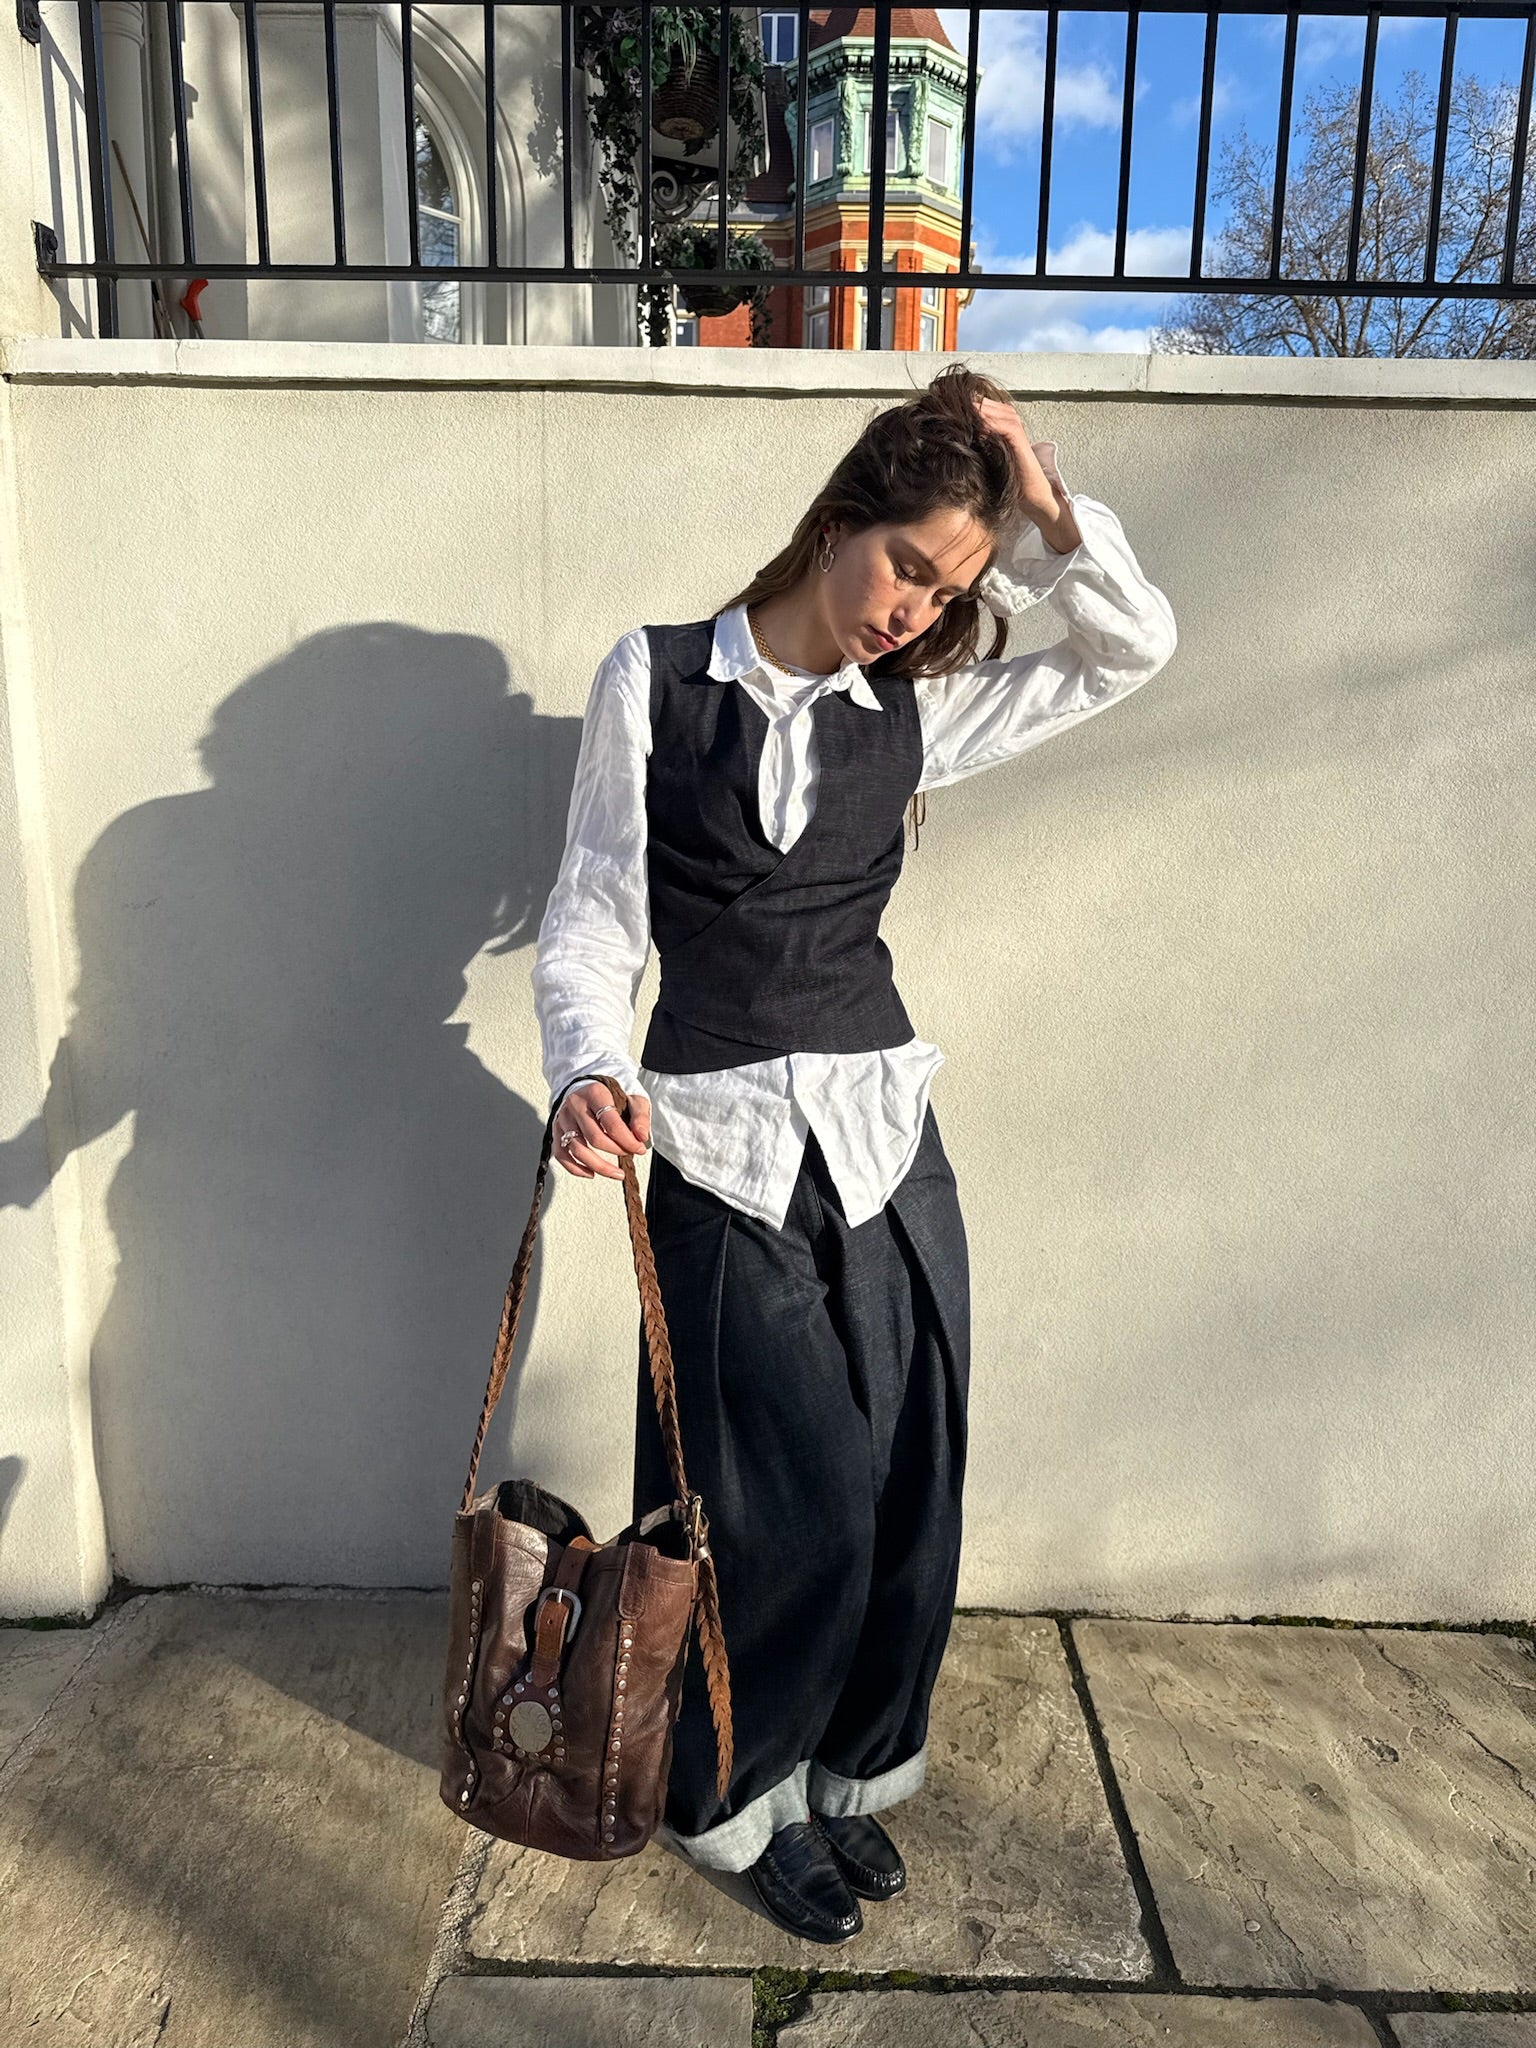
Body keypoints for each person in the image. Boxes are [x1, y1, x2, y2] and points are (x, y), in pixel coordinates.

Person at [530, 361, 1177, 1944]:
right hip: (718, 1141)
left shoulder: (917, 713)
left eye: (949, 590)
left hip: (885, 1136)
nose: (915, 611)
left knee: (906, 1479)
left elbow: (1133, 644)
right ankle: (729, 1798)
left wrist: (1043, 501)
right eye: (906, 566)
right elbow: (597, 908)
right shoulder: (656, 679)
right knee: (773, 1499)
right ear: (838, 521)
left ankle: (845, 1770)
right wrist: (588, 1067)